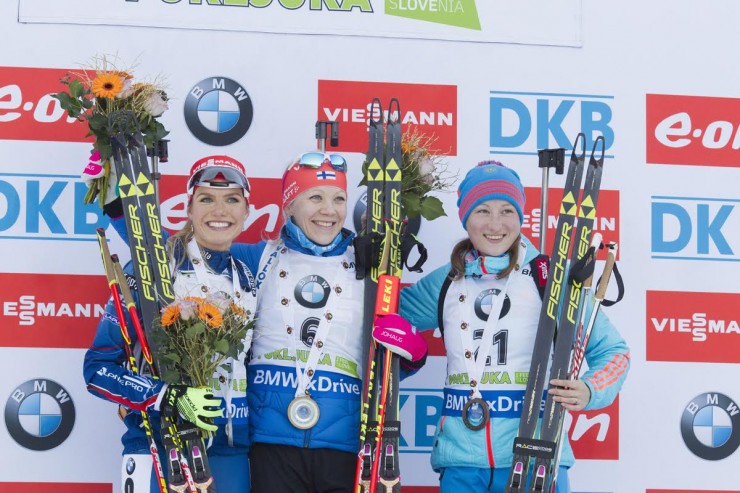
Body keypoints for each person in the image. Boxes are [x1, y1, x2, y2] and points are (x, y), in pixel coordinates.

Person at [399, 160, 630, 492]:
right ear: (466, 217)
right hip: (463, 460)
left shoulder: (549, 278)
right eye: (482, 211)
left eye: (507, 210)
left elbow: (613, 352)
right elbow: (385, 330)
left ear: (521, 217)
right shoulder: (446, 282)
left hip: (538, 454)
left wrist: (591, 389)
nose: (495, 224)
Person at [246, 151, 427, 493]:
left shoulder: (368, 266)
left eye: (339, 199)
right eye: (315, 197)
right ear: (290, 206)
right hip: (271, 442)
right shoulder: (258, 258)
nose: (329, 211)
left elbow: (387, 366)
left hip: (345, 445)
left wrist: (412, 352)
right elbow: (186, 253)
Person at [83, 156, 261, 493]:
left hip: (232, 451)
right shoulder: (154, 267)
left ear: (246, 212)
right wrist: (166, 396)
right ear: (189, 208)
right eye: (206, 199)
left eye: (232, 200)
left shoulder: (249, 273)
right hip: (161, 445)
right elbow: (97, 370)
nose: (219, 211)